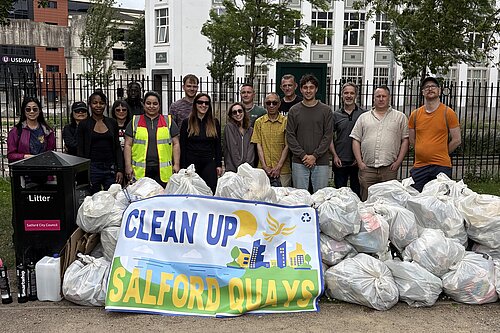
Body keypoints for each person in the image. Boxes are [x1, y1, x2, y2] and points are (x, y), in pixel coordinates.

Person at [350, 86, 409, 201]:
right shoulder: (364, 118)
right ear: (373, 98)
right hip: (367, 170)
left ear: (389, 98)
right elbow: (356, 140)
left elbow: (405, 140)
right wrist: (360, 163)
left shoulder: (400, 117)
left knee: (388, 203)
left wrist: (398, 162)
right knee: (367, 202)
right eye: (378, 96)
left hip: (389, 169)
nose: (381, 99)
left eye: (384, 96)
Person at [409, 77, 461, 192]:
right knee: (416, 199)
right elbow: (412, 139)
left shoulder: (448, 113)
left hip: (441, 166)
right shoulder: (415, 115)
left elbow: (457, 139)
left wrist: (442, 152)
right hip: (420, 166)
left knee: (441, 201)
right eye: (426, 87)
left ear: (439, 90)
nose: (430, 89)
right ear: (422, 92)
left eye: (433, 86)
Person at [286, 74, 333, 192]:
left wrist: (315, 156)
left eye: (311, 87)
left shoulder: (326, 110)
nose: (308, 91)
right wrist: (303, 156)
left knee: (320, 198)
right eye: (305, 88)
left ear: (316, 89)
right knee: (300, 199)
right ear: (301, 89)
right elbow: (290, 136)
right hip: (299, 161)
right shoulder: (294, 110)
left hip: (321, 161)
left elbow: (328, 136)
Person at [124, 91, 180, 187]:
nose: (151, 106)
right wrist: (128, 166)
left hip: (162, 171)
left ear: (159, 105)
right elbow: (128, 145)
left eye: (155, 104)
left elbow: (176, 144)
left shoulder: (168, 121)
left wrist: (177, 164)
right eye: (148, 103)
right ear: (144, 104)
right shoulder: (134, 121)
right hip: (140, 171)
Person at [77, 90, 124, 194]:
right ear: (90, 105)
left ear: (105, 105)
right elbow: (80, 150)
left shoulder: (112, 123)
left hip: (110, 168)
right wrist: (84, 172)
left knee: (113, 198)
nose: (98, 106)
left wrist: (120, 169)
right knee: (93, 200)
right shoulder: (84, 125)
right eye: (95, 103)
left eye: (101, 103)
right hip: (92, 168)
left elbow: (117, 147)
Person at [180, 93, 222, 194]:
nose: (203, 105)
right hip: (191, 163)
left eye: (206, 103)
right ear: (195, 104)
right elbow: (183, 145)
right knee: (192, 191)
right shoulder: (187, 122)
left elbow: (217, 145)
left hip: (208, 162)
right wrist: (183, 166)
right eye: (200, 102)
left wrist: (218, 164)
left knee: (210, 190)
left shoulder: (214, 122)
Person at [329, 82, 366, 198]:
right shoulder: (335, 115)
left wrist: (360, 158)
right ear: (342, 95)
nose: (348, 96)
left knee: (357, 195)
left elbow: (366, 137)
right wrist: (334, 156)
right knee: (340, 196)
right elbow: (329, 137)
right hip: (340, 160)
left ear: (356, 95)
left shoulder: (363, 114)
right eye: (346, 93)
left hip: (357, 161)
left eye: (351, 93)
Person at [251, 93, 291, 187]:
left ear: (279, 104)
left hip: (283, 170)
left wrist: (278, 167)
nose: (271, 105)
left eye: (274, 103)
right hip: (263, 169)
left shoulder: (286, 122)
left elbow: (287, 145)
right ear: (265, 104)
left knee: (283, 199)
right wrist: (264, 166)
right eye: (268, 103)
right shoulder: (259, 122)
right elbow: (258, 145)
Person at [7, 96, 55, 163]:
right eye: (28, 109)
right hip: (23, 170)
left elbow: (51, 153)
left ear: (39, 111)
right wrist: (25, 156)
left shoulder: (47, 131)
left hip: (43, 169)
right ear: (24, 111)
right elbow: (10, 155)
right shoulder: (16, 131)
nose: (32, 112)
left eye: (35, 109)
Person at [223, 102, 255, 172]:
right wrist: (240, 168)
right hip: (233, 169)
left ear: (244, 112)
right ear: (231, 115)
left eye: (240, 111)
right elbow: (233, 149)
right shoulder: (229, 127)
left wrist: (247, 166)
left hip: (248, 170)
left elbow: (251, 149)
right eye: (234, 112)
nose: (238, 114)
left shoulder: (250, 130)